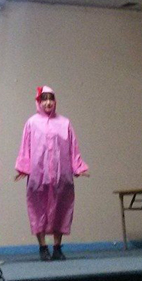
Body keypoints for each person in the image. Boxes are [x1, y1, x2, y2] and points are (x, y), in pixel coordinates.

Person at [15, 86, 89, 261]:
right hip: (38, 174)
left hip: (61, 175)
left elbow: (72, 147)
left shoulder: (64, 123)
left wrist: (78, 167)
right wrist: (23, 167)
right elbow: (25, 147)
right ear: (38, 101)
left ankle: (57, 247)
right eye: (44, 99)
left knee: (61, 208)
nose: (48, 103)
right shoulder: (32, 123)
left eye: (51, 99)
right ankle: (42, 247)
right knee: (37, 208)